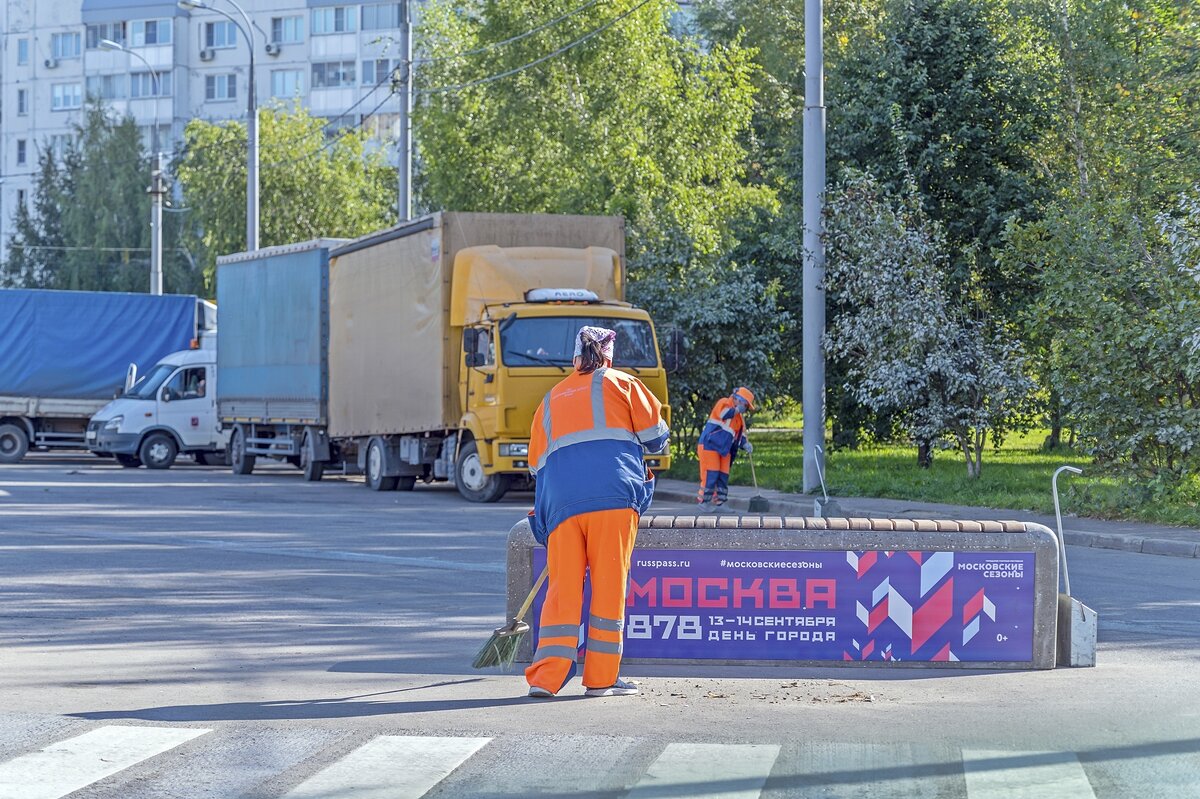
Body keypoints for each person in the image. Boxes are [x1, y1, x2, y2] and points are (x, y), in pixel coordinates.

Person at [524, 326, 669, 699]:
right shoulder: (624, 383)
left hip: (560, 505)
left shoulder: (550, 399)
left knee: (562, 589)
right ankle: (601, 679)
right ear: (608, 355)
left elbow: (536, 466)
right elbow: (656, 437)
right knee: (608, 585)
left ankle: (545, 678)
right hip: (612, 499)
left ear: (574, 359)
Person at [696, 387, 755, 508]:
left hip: (724, 449)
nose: (746, 408)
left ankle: (720, 503)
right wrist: (737, 410)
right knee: (711, 474)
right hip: (709, 445)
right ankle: (704, 502)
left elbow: (740, 436)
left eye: (747, 406)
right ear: (738, 400)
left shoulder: (739, 419)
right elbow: (723, 414)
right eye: (746, 404)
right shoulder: (724, 403)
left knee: (723, 476)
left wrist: (745, 444)